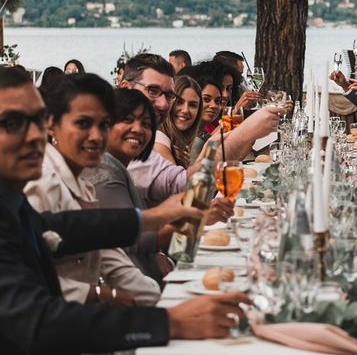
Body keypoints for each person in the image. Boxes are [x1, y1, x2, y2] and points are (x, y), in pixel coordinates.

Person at [0, 67, 251, 354]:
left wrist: (154, 216)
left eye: (37, 120)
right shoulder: (47, 183)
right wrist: (168, 322)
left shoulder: (15, 202)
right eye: (12, 123)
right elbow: (37, 322)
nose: (35, 135)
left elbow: (62, 228)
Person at [25, 73, 160, 306]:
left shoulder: (83, 184)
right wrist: (100, 295)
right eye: (83, 123)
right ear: (51, 125)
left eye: (104, 125)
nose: (97, 136)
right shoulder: (43, 183)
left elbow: (111, 259)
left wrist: (158, 301)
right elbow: (26, 280)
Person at [84, 89, 233, 284]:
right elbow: (132, 238)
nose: (138, 129)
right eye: (127, 119)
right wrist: (198, 216)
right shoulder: (102, 171)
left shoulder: (117, 166)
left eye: (146, 124)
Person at [122, 53, 283, 206]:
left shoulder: (152, 140)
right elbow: (187, 190)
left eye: (168, 95)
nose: (164, 104)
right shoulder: (157, 140)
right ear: (125, 87)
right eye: (153, 90)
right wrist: (246, 131)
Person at [155, 76, 202, 168]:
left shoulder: (179, 146)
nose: (185, 110)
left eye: (192, 105)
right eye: (179, 102)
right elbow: (179, 182)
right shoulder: (160, 141)